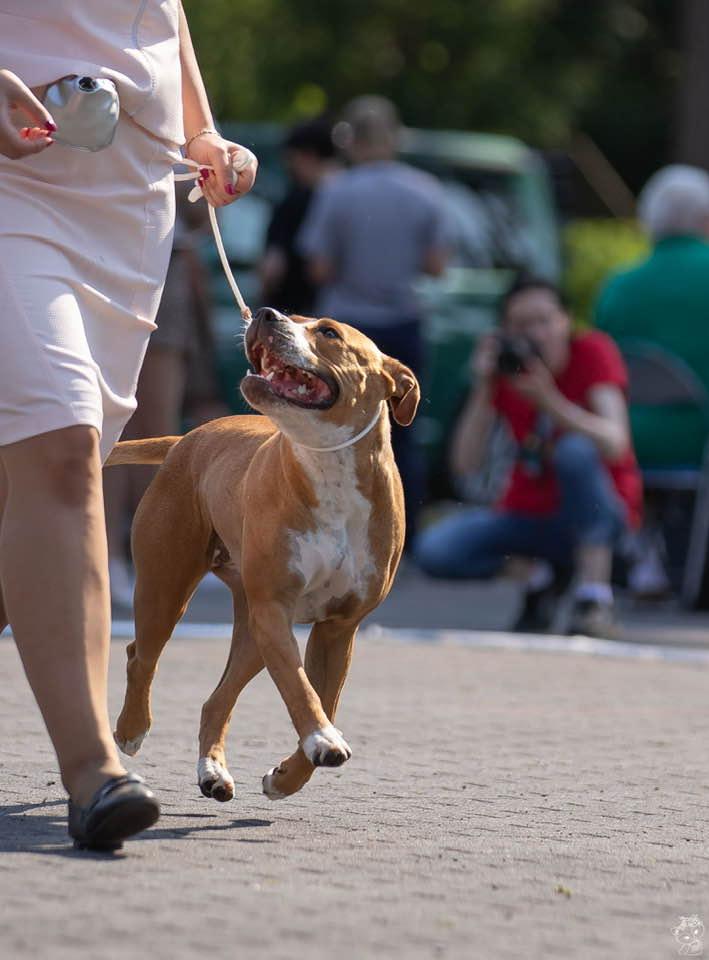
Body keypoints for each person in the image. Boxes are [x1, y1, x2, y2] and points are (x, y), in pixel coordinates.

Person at [0, 2, 257, 851]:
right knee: (63, 448)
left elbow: (191, 119)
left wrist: (213, 150)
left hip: (127, 234)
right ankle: (94, 770)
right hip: (12, 204)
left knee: (51, 477)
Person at [415, 275, 642, 638]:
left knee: (574, 451)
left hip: (602, 516)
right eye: (522, 325)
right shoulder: (507, 371)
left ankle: (593, 597)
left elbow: (615, 440)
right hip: (530, 515)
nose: (537, 333)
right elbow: (464, 465)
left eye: (545, 321)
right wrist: (483, 388)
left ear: (565, 321)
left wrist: (550, 403)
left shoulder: (592, 351)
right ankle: (542, 577)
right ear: (505, 330)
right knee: (437, 549)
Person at [298, 95, 452, 546]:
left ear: (351, 140)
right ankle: (403, 534)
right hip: (403, 321)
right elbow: (438, 265)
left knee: (335, 431)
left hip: (346, 330)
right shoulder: (425, 190)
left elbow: (319, 268)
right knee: (405, 430)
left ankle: (337, 531)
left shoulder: (337, 191)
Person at [104, 179, 229, 607]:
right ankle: (109, 557)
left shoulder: (185, 121)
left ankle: (160, 558)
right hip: (105, 256)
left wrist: (212, 181)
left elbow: (199, 215)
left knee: (155, 427)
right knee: (112, 426)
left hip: (164, 263)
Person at [595, 165, 709, 597]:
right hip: (698, 441)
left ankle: (644, 554)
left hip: (625, 437)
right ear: (707, 218)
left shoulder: (618, 286)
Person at [259, 116, 338, 315]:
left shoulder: (294, 201)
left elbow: (272, 267)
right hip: (342, 311)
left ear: (308, 156)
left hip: (296, 310)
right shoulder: (350, 195)